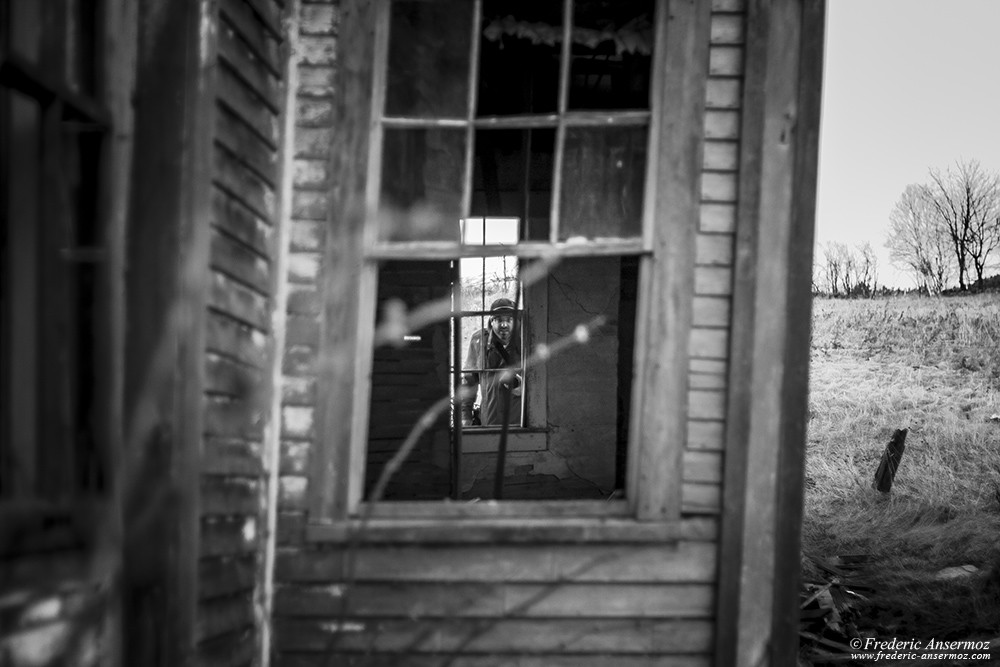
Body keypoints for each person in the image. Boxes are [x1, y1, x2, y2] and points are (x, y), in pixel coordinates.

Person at [461, 297, 523, 427]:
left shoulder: (527, 340)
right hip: (489, 421)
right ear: (491, 321)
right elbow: (469, 382)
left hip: (519, 423)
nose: (504, 325)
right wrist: (465, 415)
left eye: (509, 319)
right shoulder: (479, 341)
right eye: (499, 320)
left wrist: (523, 388)